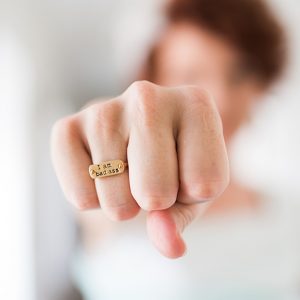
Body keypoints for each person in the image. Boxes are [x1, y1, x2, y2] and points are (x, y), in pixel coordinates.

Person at [51, 0, 292, 299]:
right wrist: (98, 142)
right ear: (150, 85)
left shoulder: (290, 213)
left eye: (238, 75)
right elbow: (96, 210)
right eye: (190, 75)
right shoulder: (122, 208)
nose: (221, 98)